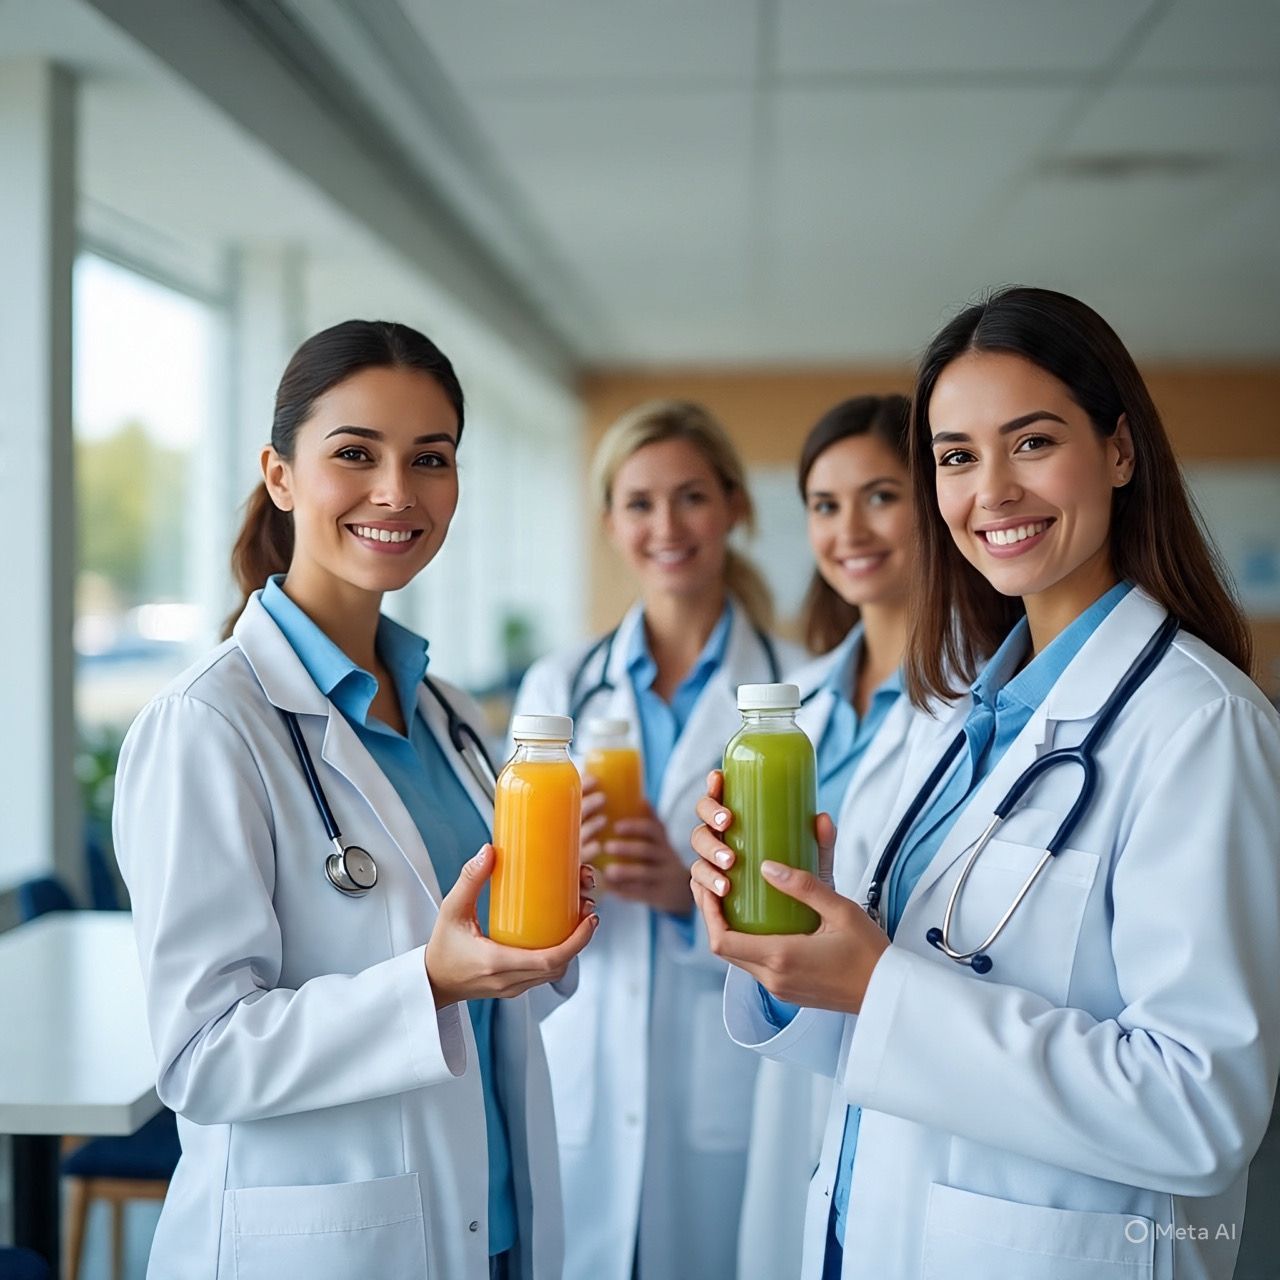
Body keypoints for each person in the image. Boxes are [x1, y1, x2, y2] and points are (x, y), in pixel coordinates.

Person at [691, 287, 1280, 1280]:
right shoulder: (972, 711)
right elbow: (893, 1031)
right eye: (956, 456)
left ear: (1120, 450)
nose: (990, 490)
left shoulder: (1198, 724)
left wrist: (879, 985)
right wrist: (797, 947)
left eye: (1032, 441)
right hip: (866, 1232)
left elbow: (1199, 1107)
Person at [113, 320, 596, 1280]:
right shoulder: (208, 725)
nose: (396, 493)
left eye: (431, 458)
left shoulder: (450, 714)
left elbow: (490, 959)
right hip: (327, 1243)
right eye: (355, 454)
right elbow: (203, 1057)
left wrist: (549, 919)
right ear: (280, 474)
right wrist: (433, 981)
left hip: (484, 1224)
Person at [512, 399, 802, 1280]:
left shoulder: (799, 692)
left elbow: (810, 904)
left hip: (724, 1078)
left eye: (691, 497)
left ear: (734, 509)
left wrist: (691, 896)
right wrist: (553, 875)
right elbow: (509, 901)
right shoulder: (560, 683)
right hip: (584, 1069)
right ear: (610, 523)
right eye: (639, 503)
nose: (666, 526)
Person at [739, 394, 920, 1280]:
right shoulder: (792, 707)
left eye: (881, 495)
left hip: (912, 1050)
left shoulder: (978, 708)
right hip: (795, 1045)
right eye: (824, 504)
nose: (850, 528)